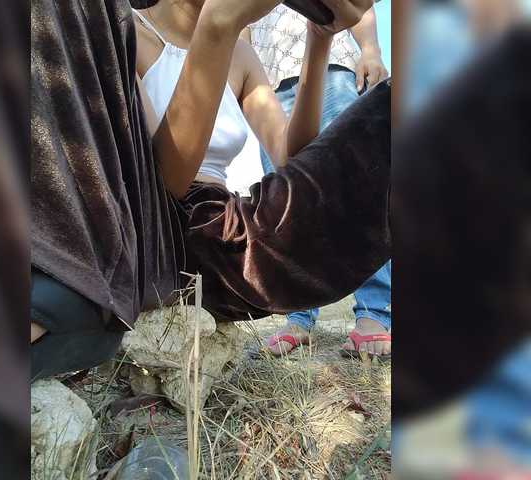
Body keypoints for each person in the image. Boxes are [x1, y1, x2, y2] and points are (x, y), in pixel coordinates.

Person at [31, 0, 390, 379]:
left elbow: (293, 159)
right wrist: (219, 24)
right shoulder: (121, 26)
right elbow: (167, 179)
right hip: (144, 223)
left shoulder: (242, 55)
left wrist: (319, 39)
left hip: (223, 230)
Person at [243, 3, 392, 359]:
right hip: (270, 91)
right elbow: (242, 28)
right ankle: (298, 316)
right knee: (285, 207)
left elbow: (357, 6)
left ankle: (373, 312)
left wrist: (370, 49)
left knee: (354, 191)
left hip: (333, 74)